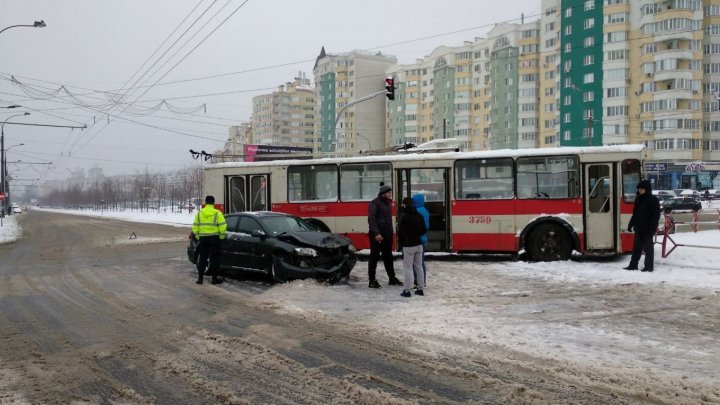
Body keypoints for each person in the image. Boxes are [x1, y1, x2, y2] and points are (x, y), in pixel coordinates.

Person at [368, 182, 402, 288]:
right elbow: (371, 219)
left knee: (388, 257)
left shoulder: (387, 203)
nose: (390, 194)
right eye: (388, 192)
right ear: (383, 193)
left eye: (390, 192)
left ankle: (392, 278)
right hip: (377, 235)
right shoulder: (375, 203)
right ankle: (372, 280)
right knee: (374, 257)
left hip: (387, 234)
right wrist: (376, 233)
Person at [624, 180, 660, 272]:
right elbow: (635, 213)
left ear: (647, 189)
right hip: (638, 228)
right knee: (636, 248)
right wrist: (630, 224)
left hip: (648, 229)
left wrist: (652, 228)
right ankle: (633, 265)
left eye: (642, 188)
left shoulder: (653, 200)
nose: (640, 190)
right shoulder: (638, 199)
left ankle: (648, 267)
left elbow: (656, 216)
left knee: (648, 250)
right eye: (639, 188)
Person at [192, 195, 227, 284]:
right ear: (213, 203)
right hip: (214, 238)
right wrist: (221, 237)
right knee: (214, 258)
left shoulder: (199, 213)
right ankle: (214, 279)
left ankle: (200, 279)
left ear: (206, 202)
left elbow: (195, 226)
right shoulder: (217, 213)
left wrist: (198, 236)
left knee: (203, 258)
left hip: (203, 239)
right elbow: (223, 226)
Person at [398, 197, 427, 297]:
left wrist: (403, 241)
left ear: (404, 205)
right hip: (419, 245)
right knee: (419, 267)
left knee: (408, 268)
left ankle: (407, 291)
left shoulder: (404, 216)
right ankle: (420, 289)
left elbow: (400, 232)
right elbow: (424, 230)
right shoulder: (419, 215)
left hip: (408, 246)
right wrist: (417, 235)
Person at [412, 193, 430, 287]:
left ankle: (418, 281)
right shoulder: (425, 211)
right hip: (424, 239)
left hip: (417, 240)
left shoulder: (416, 211)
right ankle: (423, 281)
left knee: (416, 263)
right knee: (421, 263)